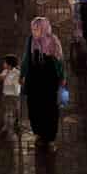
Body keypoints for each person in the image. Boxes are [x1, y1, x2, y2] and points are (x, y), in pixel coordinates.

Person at [23, 16, 67, 150]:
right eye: (33, 29)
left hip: (49, 82)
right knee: (34, 108)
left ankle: (50, 138)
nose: (34, 32)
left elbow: (60, 62)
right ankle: (39, 133)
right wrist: (22, 74)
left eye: (36, 29)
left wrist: (63, 77)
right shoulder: (31, 40)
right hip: (34, 81)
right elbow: (26, 58)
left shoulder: (53, 41)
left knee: (50, 110)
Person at [0, 55, 23, 133]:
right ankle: (6, 126)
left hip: (15, 94)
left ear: (9, 63)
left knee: (16, 110)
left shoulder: (17, 71)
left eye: (5, 62)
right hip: (6, 94)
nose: (3, 64)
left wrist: (20, 81)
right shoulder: (5, 71)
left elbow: (21, 81)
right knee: (6, 111)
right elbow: (0, 77)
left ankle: (17, 123)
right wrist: (6, 73)